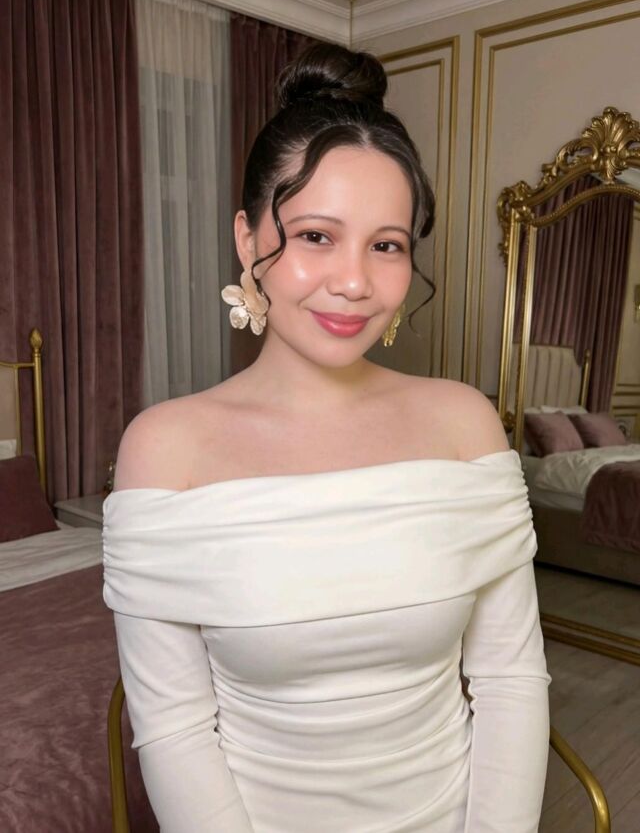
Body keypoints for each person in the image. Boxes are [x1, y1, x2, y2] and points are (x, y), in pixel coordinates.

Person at [103, 41, 550, 832]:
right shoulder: (166, 449)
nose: (354, 282)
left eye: (387, 245)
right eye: (315, 236)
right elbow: (174, 729)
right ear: (248, 239)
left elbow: (511, 680)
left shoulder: (464, 425)